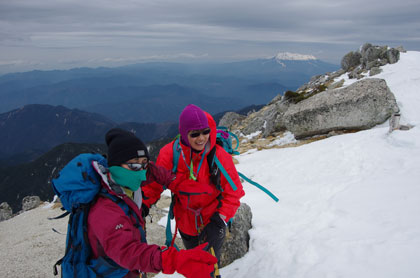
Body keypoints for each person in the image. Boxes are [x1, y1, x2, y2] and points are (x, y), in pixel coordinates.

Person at [87, 128, 217, 278]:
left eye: (144, 164)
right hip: (112, 272)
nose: (141, 171)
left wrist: (176, 183)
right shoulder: (104, 208)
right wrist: (173, 260)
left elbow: (155, 172)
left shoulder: (125, 181)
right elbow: (127, 251)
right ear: (115, 165)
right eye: (135, 166)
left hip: (132, 270)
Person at [142, 104, 245, 270]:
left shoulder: (218, 155)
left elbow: (234, 192)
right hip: (186, 223)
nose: (201, 138)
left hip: (213, 221)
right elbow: (154, 185)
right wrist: (142, 206)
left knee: (209, 266)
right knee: (194, 264)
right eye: (194, 134)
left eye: (205, 132)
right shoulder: (170, 155)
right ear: (184, 134)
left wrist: (220, 219)